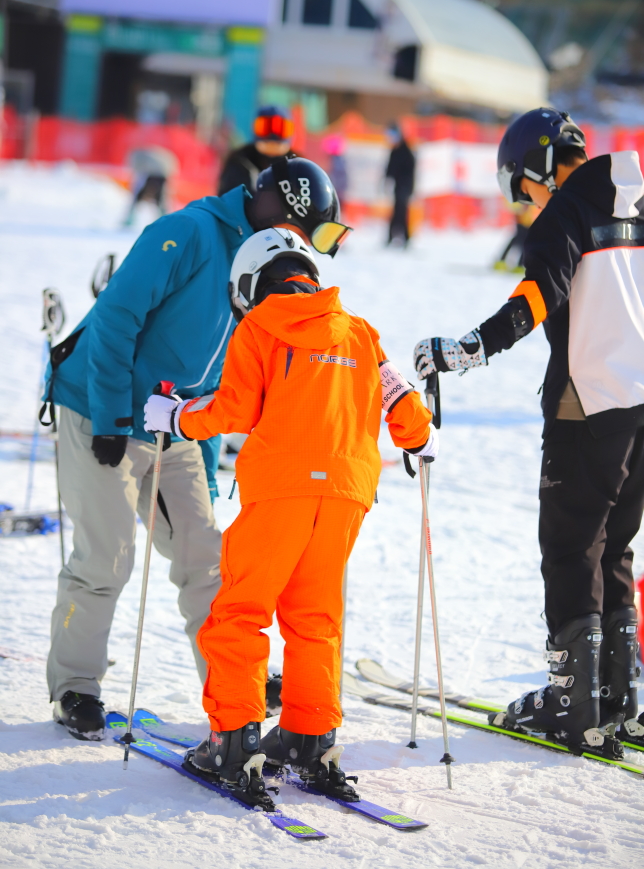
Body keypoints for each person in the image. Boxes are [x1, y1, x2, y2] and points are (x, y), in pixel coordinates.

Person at [43, 155, 346, 741]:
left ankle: (234, 684)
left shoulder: (268, 266)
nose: (302, 249)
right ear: (284, 211)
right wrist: (111, 417)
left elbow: (218, 381)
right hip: (99, 408)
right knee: (105, 556)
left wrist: (205, 468)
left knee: (207, 557)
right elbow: (115, 320)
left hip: (172, 427)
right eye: (307, 233)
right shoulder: (187, 232)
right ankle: (75, 686)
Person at [143, 227, 437, 808]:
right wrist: (417, 437)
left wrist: (177, 418)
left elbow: (232, 408)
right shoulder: (360, 332)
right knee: (315, 617)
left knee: (240, 612)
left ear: (254, 283)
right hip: (348, 494)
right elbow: (404, 406)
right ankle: (310, 736)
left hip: (281, 489)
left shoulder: (260, 326)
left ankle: (234, 742)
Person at [413, 106, 644, 760]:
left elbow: (537, 295)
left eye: (523, 185)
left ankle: (573, 706)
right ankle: (620, 700)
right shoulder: (637, 198)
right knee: (614, 545)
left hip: (587, 401)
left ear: (539, 166)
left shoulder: (566, 212)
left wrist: (467, 350)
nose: (526, 200)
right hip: (642, 399)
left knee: (571, 546)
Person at [218, 105, 295, 196]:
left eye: (281, 129)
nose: (272, 138)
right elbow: (225, 200)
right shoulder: (239, 161)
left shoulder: (298, 165)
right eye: (265, 128)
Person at [384, 123, 415, 247]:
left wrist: (406, 187)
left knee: (401, 213)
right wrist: (387, 180)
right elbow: (390, 168)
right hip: (398, 187)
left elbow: (409, 171)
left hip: (404, 188)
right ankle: (392, 237)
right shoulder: (395, 150)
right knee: (397, 212)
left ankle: (404, 238)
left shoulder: (406, 151)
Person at [493, 203, 538, 272]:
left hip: (527, 222)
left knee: (522, 243)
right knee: (522, 243)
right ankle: (516, 264)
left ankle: (517, 264)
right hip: (523, 222)